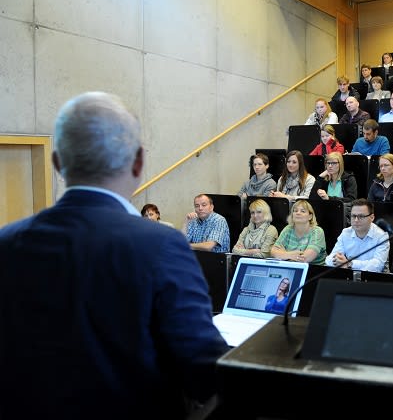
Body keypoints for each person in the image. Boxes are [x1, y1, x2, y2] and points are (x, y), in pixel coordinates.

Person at [0, 92, 229, 419]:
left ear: (57, 163)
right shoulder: (161, 245)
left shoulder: (6, 242)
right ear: (138, 162)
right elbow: (204, 369)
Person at [325, 199, 390, 273]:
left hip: (374, 279)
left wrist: (350, 263)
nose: (356, 220)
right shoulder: (346, 233)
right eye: (353, 216)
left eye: (361, 216)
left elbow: (377, 266)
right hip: (349, 277)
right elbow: (329, 260)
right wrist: (337, 260)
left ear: (372, 217)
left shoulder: (382, 236)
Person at [271, 200, 326, 265]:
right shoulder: (288, 229)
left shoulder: (317, 231)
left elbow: (305, 258)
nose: (298, 213)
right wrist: (290, 255)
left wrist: (283, 254)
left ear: (310, 216)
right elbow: (273, 252)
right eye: (295, 211)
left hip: (315, 270)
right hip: (291, 267)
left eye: (302, 211)